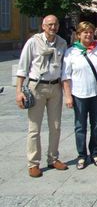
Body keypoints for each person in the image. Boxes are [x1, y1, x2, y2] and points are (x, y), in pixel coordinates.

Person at [15, 15, 68, 178]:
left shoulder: (62, 43)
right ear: (43, 26)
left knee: (56, 126)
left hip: (55, 86)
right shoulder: (33, 42)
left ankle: (53, 158)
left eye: (55, 24)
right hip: (37, 86)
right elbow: (22, 67)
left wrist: (66, 93)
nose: (53, 27)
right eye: (50, 24)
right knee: (34, 128)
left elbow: (65, 68)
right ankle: (33, 163)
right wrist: (19, 91)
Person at [62, 21, 97, 170]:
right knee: (80, 126)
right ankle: (81, 155)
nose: (88, 35)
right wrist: (68, 96)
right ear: (78, 34)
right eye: (85, 32)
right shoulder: (71, 51)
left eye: (91, 32)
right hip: (79, 94)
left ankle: (95, 152)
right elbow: (66, 76)